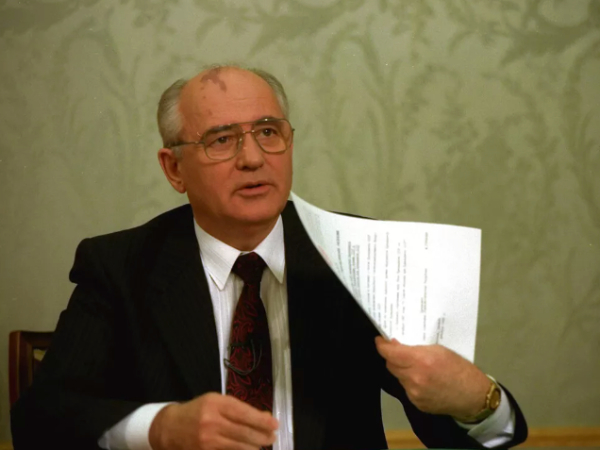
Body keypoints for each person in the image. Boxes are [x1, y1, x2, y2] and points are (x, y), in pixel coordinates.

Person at [11, 65, 527, 450]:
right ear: (174, 169)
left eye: (267, 132)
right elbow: (41, 421)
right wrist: (162, 427)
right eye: (221, 140)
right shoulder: (122, 266)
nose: (253, 157)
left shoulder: (357, 255)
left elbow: (469, 435)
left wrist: (479, 401)